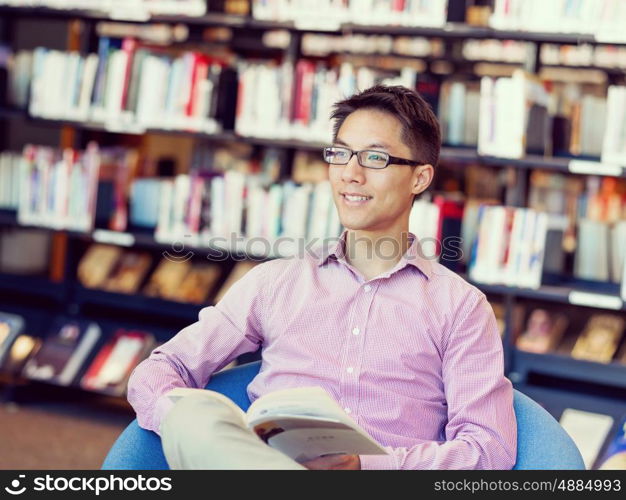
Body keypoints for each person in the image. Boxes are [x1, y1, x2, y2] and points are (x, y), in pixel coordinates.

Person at [127, 84, 517, 470]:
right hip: (263, 467)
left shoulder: (461, 308)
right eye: (340, 154)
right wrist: (185, 424)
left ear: (420, 178)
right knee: (197, 414)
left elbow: (488, 449)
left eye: (375, 158)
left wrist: (366, 466)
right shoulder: (275, 283)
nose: (350, 173)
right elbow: (160, 370)